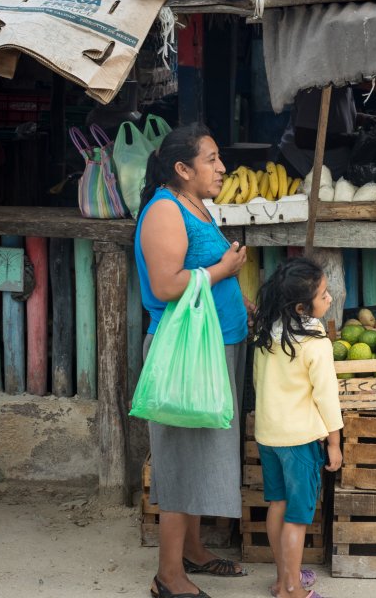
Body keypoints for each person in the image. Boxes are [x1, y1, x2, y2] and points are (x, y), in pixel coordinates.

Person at [135, 123, 254, 598]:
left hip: (216, 345)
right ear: (182, 169)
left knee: (200, 454)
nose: (222, 167)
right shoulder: (164, 209)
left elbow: (199, 271)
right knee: (182, 459)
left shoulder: (192, 204)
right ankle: (168, 576)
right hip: (188, 353)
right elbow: (165, 286)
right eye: (211, 159)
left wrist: (235, 295)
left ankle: (194, 551)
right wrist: (223, 270)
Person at [251, 258, 344, 598]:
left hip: (269, 435)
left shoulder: (266, 333)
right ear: (303, 307)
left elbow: (259, 383)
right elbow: (327, 398)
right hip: (300, 440)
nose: (330, 298)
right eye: (323, 294)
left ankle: (282, 577)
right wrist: (334, 442)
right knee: (298, 515)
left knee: (277, 504)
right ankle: (291, 589)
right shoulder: (315, 343)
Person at [277, 87, 376, 180]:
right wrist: (350, 139)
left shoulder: (344, 84)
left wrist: (360, 118)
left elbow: (335, 117)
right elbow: (304, 138)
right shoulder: (316, 89)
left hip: (328, 177)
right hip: (300, 170)